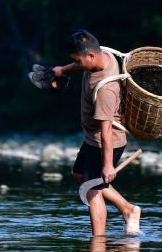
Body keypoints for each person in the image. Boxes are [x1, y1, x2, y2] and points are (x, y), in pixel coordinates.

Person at [52, 30, 141, 236]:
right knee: (79, 175)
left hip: (104, 142)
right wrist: (62, 70)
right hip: (92, 139)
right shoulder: (103, 55)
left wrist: (108, 165)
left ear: (91, 56)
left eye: (77, 61)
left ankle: (98, 243)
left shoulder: (105, 90)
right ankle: (128, 209)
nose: (77, 64)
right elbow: (81, 63)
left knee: (91, 190)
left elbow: (106, 129)